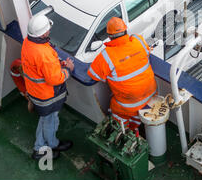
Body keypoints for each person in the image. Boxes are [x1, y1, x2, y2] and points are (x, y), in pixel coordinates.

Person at [87, 17, 157, 131]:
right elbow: (147, 50)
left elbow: (93, 75)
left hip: (129, 105)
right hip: (151, 94)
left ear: (109, 36)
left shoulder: (106, 56)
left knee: (116, 110)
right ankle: (139, 126)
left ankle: (127, 130)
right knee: (135, 111)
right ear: (125, 31)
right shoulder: (138, 40)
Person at [21, 14, 74, 160]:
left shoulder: (28, 42)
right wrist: (68, 68)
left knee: (46, 119)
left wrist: (58, 64)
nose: (49, 31)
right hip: (47, 96)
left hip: (36, 92)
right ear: (43, 33)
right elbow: (55, 79)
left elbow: (42, 67)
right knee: (50, 120)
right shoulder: (43, 53)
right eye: (48, 29)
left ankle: (45, 145)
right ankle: (44, 147)